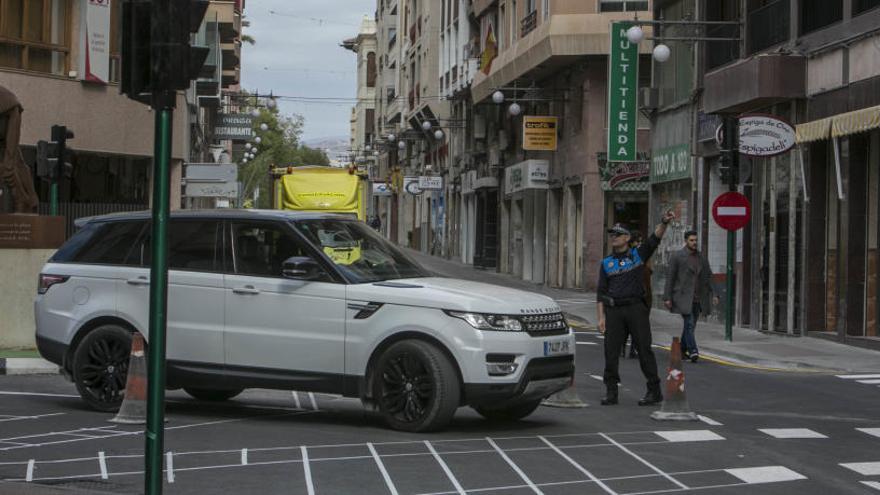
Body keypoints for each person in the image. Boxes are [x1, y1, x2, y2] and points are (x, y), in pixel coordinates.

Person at [597, 211, 674, 406]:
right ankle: (611, 391)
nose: (613, 237)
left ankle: (654, 390)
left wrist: (664, 222)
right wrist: (601, 318)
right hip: (614, 311)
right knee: (611, 352)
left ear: (627, 238)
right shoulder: (606, 263)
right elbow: (600, 293)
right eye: (612, 234)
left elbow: (654, 238)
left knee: (643, 348)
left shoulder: (637, 255)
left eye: (617, 234)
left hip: (635, 308)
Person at [663, 230, 720, 363]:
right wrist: (667, 297)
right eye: (691, 240)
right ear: (686, 241)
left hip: (697, 298)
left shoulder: (701, 257)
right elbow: (670, 278)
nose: (694, 243)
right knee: (689, 324)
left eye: (695, 240)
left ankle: (682, 350)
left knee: (691, 326)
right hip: (682, 297)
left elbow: (709, 276)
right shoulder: (677, 256)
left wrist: (715, 293)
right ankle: (693, 350)